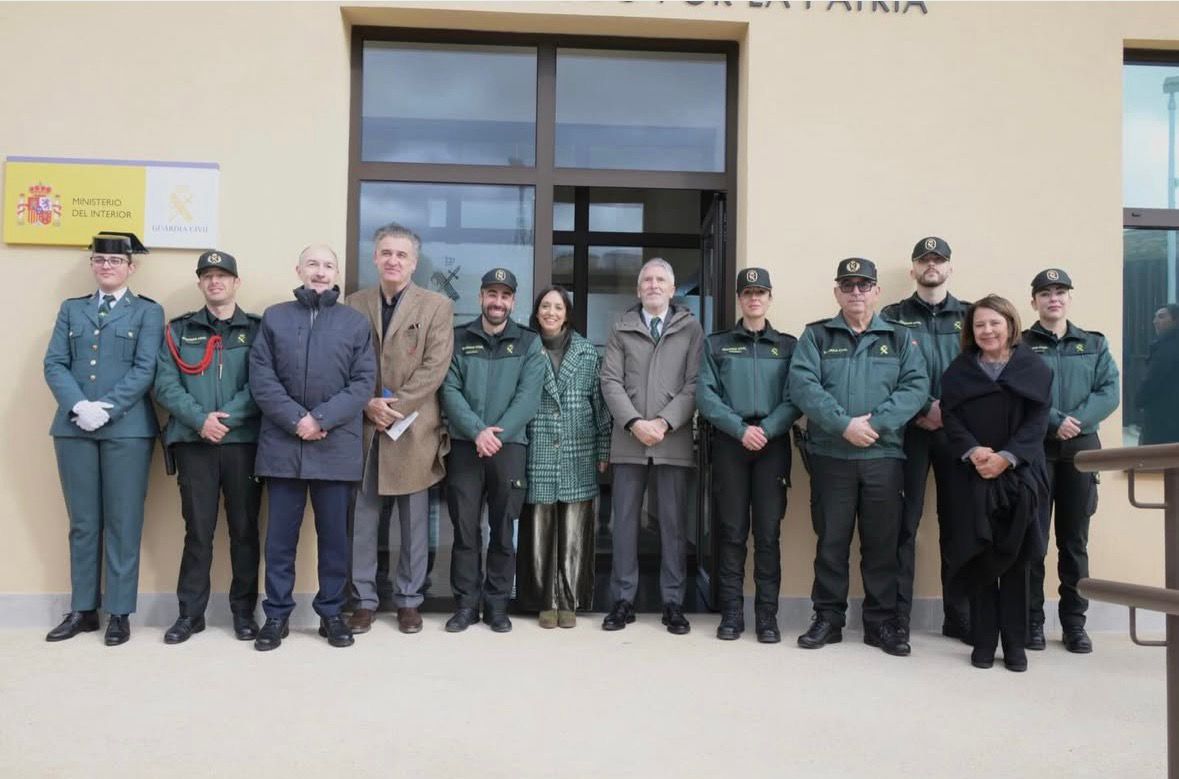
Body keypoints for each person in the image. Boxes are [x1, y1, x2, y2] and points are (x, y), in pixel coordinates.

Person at [788, 257, 928, 656]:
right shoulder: (816, 336)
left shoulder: (899, 338)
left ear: (876, 292)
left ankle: (881, 624)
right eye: (847, 286)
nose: (855, 293)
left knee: (882, 544)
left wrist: (877, 424)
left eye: (863, 286)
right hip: (831, 455)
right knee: (831, 541)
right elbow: (803, 386)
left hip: (884, 456)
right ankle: (828, 619)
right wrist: (842, 424)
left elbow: (916, 387)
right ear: (837, 292)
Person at [248, 244, 376, 651]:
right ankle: (277, 616)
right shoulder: (275, 318)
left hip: (336, 449)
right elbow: (262, 378)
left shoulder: (355, 324)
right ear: (299, 269)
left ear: (337, 272)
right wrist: (296, 420)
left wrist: (319, 419)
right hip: (283, 448)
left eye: (328, 265)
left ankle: (332, 614)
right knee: (279, 540)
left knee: (334, 539)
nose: (320, 272)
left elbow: (362, 383)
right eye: (313, 265)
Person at [43, 231, 163, 646]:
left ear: (131, 267)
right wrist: (79, 407)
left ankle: (119, 611)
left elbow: (145, 368)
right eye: (99, 260)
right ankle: (82, 609)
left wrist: (107, 408)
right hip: (74, 428)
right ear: (93, 265)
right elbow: (55, 362)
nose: (106, 266)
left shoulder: (147, 311)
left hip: (127, 429)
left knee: (123, 522)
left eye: (115, 262)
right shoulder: (72, 310)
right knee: (83, 523)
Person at [346, 223, 453, 635]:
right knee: (365, 521)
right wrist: (366, 405)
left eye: (402, 255)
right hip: (367, 425)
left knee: (413, 524)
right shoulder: (353, 304)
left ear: (414, 262)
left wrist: (396, 407)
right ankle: (365, 601)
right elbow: (345, 364)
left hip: (414, 428)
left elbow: (434, 367)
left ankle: (409, 601)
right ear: (375, 257)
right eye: (386, 253)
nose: (393, 261)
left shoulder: (436, 306)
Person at [154, 250, 262, 643]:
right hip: (194, 443)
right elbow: (164, 383)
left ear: (236, 282)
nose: (215, 282)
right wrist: (201, 420)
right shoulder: (178, 330)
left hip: (242, 444)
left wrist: (226, 419)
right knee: (197, 531)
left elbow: (262, 384)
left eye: (223, 276)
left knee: (244, 530)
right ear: (200, 283)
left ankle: (244, 613)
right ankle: (190, 614)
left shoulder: (257, 329)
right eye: (208, 276)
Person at [941, 294, 1052, 672]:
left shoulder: (1032, 367)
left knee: (1017, 559)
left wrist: (1006, 458)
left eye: (994, 323)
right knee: (980, 555)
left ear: (1010, 324)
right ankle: (984, 643)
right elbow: (950, 420)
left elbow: (1038, 422)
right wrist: (975, 452)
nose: (987, 330)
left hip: (1020, 475)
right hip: (974, 475)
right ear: (971, 332)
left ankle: (1016, 646)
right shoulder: (958, 371)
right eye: (979, 325)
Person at [599, 258, 704, 635]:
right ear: (638, 288)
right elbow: (609, 381)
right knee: (624, 523)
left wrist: (662, 423)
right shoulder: (621, 327)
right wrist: (634, 422)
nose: (654, 285)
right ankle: (622, 600)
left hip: (671, 441)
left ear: (673, 289)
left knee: (673, 526)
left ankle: (673, 602)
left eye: (661, 279)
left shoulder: (691, 329)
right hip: (628, 440)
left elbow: (695, 384)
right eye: (647, 280)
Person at [439, 268, 545, 633]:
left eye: (505, 295)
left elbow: (529, 397)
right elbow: (448, 390)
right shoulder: (457, 338)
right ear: (481, 297)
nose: (497, 302)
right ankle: (465, 605)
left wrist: (496, 435)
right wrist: (476, 431)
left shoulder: (529, 343)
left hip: (509, 447)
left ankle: (497, 606)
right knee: (465, 531)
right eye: (491, 294)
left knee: (503, 529)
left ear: (513, 301)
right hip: (466, 448)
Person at [696, 267, 799, 643]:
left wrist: (767, 430)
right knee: (732, 531)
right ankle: (732, 614)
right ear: (739, 299)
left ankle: (767, 617)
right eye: (747, 293)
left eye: (761, 292)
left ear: (770, 298)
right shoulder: (716, 344)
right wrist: (740, 430)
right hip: (731, 443)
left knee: (768, 534)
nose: (754, 298)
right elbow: (706, 396)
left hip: (772, 445)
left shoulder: (788, 346)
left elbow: (796, 397)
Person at [1022, 269, 1119, 654]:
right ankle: (1032, 621)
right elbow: (1018, 393)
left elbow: (1109, 390)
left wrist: (1074, 421)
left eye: (1060, 292)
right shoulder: (1021, 345)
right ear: (1034, 302)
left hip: (1082, 450)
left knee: (1074, 541)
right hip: (1037, 448)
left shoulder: (1093, 344)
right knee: (1033, 539)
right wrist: (1056, 421)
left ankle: (1074, 624)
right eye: (1045, 293)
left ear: (1070, 298)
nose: (1053, 299)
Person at [881, 236, 972, 642]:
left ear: (950, 267)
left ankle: (959, 615)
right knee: (903, 525)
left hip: (957, 435)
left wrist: (946, 412)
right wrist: (920, 410)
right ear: (913, 268)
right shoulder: (893, 315)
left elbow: (980, 372)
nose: (931, 265)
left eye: (938, 260)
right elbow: (884, 372)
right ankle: (898, 616)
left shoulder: (972, 315)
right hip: (909, 432)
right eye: (924, 260)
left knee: (958, 527)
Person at [517, 286, 611, 629]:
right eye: (545, 306)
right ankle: (545, 600)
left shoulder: (587, 352)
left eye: (558, 307)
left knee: (574, 530)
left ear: (567, 313)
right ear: (537, 311)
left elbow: (600, 405)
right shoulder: (526, 347)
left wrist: (603, 449)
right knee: (539, 529)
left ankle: (570, 599)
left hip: (578, 447)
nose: (551, 312)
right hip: (538, 445)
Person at [1138, 303, 1179, 445]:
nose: (1155, 321)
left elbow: (1152, 379)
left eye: (1161, 317)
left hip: (1164, 419)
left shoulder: (1167, 347)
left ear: (1176, 320)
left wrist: (1139, 400)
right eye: (1155, 317)